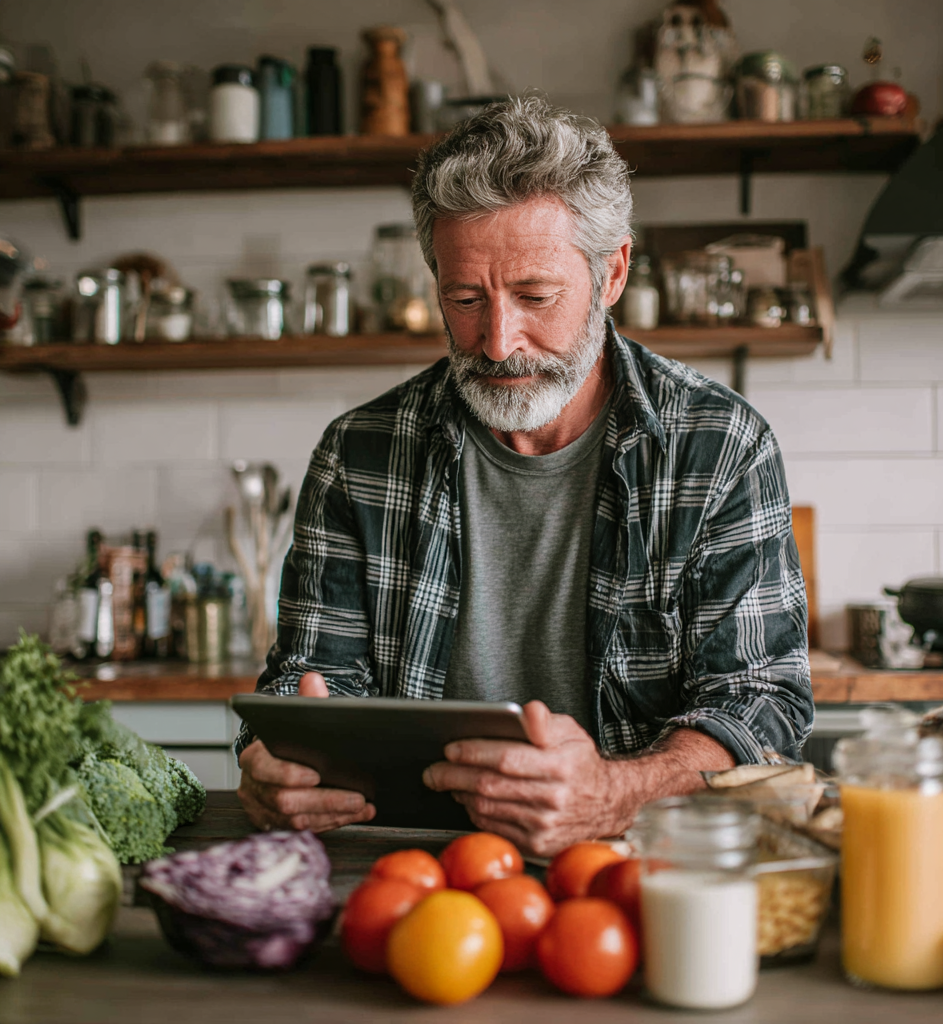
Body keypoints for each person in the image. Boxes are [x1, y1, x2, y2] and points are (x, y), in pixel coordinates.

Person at [236, 96, 813, 855]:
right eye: (465, 299)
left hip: (635, 863)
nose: (498, 342)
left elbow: (760, 706)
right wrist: (274, 758)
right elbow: (307, 682)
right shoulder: (358, 454)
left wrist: (614, 794)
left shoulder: (720, 445)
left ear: (612, 273)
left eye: (536, 297)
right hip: (414, 868)